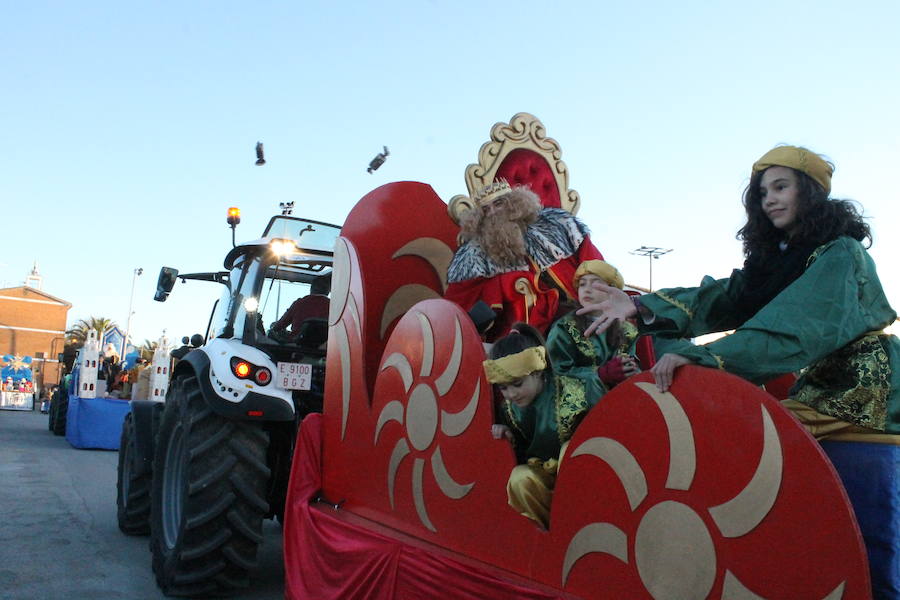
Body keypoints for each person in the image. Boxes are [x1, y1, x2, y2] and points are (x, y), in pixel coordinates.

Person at [582, 145, 900, 438]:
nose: (769, 200)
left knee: (748, 431)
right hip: (825, 382)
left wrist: (701, 356)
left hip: (865, 386)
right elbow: (726, 296)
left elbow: (789, 329)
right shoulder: (782, 259)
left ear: (809, 191)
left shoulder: (840, 253)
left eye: (780, 187)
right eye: (763, 192)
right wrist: (642, 306)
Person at [445, 180, 603, 342]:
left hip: (583, 305)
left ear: (515, 203)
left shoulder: (557, 225)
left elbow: (596, 265)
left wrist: (599, 297)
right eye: (485, 210)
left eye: (498, 204)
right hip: (524, 330)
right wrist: (502, 285)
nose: (492, 212)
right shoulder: (473, 255)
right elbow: (458, 303)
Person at [486, 323, 603, 528]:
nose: (511, 394)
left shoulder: (580, 388)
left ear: (538, 372)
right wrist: (508, 439)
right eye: (503, 388)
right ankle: (553, 534)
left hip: (589, 480)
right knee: (520, 479)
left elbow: (608, 434)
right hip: (545, 483)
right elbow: (519, 455)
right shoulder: (508, 410)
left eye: (517, 384)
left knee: (570, 449)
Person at [546, 260, 641, 392]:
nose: (587, 289)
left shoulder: (627, 330)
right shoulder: (564, 328)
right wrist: (601, 374)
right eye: (582, 284)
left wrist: (630, 370)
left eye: (595, 284)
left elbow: (631, 362)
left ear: (612, 291)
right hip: (582, 401)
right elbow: (557, 372)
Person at [270, 275, 331, 340]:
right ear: (328, 290)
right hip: (324, 346)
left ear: (311, 288)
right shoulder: (333, 306)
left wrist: (273, 327)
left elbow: (280, 325)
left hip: (297, 346)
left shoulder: (299, 303)